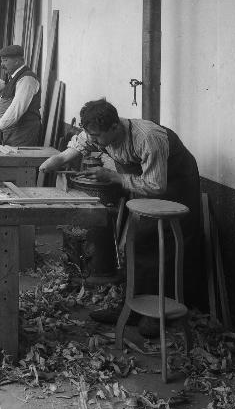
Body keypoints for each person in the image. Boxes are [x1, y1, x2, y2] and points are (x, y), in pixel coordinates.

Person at [38, 99, 203, 337]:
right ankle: (132, 307)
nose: (93, 141)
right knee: (137, 244)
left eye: (97, 137)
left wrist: (112, 177)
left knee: (163, 247)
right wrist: (53, 163)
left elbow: (156, 185)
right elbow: (73, 151)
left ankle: (155, 314)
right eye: (90, 135)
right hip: (145, 187)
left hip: (175, 185)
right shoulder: (96, 131)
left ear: (115, 127)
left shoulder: (148, 138)